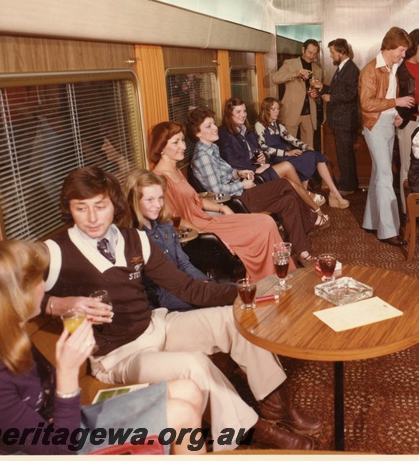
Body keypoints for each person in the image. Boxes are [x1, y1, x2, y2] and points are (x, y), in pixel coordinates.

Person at [40, 166, 320, 451]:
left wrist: (248, 293)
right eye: (81, 208)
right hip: (118, 356)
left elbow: (187, 287)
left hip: (155, 325)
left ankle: (276, 406)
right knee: (193, 365)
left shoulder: (134, 239)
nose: (91, 218)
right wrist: (56, 303)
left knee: (235, 320)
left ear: (113, 204)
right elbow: (1, 297)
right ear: (69, 210)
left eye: (100, 206)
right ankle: (253, 430)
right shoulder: (55, 251)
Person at [0, 240, 205, 455]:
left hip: (67, 424)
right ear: (12, 300)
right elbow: (59, 450)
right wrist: (66, 375)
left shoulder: (2, 327)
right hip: (59, 447)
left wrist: (67, 307)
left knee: (187, 389)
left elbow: (43, 305)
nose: (44, 286)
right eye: (36, 282)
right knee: (181, 414)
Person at [149, 121, 297, 279]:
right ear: (161, 147)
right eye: (176, 142)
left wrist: (221, 208)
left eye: (183, 140)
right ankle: (267, 280)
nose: (183, 146)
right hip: (197, 230)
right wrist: (208, 234)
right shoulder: (158, 179)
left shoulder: (176, 170)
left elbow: (196, 199)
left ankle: (280, 276)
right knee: (262, 229)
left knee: (266, 221)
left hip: (207, 220)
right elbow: (174, 219)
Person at [188, 108, 326, 267]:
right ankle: (310, 218)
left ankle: (302, 252)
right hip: (234, 200)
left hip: (239, 190)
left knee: (288, 201)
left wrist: (239, 173)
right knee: (284, 184)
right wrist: (242, 184)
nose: (214, 128)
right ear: (198, 133)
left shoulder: (212, 148)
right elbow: (216, 191)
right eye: (208, 126)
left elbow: (226, 172)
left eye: (213, 124)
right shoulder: (203, 157)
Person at [124, 168, 236, 313]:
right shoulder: (132, 236)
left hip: (183, 287)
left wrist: (208, 284)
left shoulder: (165, 225)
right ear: (134, 201)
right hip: (160, 297)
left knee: (234, 289)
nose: (158, 205)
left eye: (160, 198)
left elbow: (184, 264)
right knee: (224, 303)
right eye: (150, 200)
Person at [217, 97, 328, 209]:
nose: (243, 114)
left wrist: (261, 158)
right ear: (229, 113)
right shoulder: (224, 134)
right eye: (238, 112)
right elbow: (232, 161)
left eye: (244, 111)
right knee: (287, 167)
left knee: (291, 181)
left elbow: (260, 149)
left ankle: (311, 206)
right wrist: (256, 169)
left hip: (262, 166)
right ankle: (311, 202)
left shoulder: (246, 130)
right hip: (248, 175)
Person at [359, 27, 416, 247]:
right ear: (389, 46)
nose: (403, 54)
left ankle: (371, 221)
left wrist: (395, 115)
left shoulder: (393, 66)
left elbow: (387, 97)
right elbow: (367, 103)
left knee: (378, 174)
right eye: (401, 50)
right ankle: (388, 231)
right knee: (385, 176)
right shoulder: (371, 70)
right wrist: (397, 103)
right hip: (374, 126)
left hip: (388, 123)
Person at [254, 97, 350, 209]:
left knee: (314, 155)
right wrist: (287, 154)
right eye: (273, 109)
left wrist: (306, 146)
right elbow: (264, 148)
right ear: (266, 110)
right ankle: (306, 195)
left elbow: (292, 139)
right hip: (276, 159)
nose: (276, 111)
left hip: (285, 156)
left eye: (278, 109)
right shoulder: (259, 125)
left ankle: (334, 192)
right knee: (309, 158)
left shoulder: (278, 126)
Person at [395, 28, 419, 216]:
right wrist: (418, 108)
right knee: (407, 167)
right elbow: (397, 102)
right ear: (412, 48)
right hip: (409, 124)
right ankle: (406, 212)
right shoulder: (400, 69)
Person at [321, 37, 361, 195]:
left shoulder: (351, 69)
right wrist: (323, 88)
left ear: (342, 52)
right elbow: (340, 90)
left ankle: (348, 186)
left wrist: (331, 98)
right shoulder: (344, 68)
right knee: (345, 154)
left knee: (345, 155)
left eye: (332, 52)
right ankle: (349, 183)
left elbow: (351, 94)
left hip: (345, 120)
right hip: (341, 120)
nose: (331, 55)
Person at [271, 39, 324, 148]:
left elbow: (318, 91)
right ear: (303, 49)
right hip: (292, 111)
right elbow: (275, 78)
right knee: (288, 146)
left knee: (309, 147)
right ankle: (288, 165)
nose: (311, 56)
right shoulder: (289, 64)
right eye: (310, 52)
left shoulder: (318, 70)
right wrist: (295, 73)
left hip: (309, 113)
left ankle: (308, 165)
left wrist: (316, 94)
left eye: (314, 54)